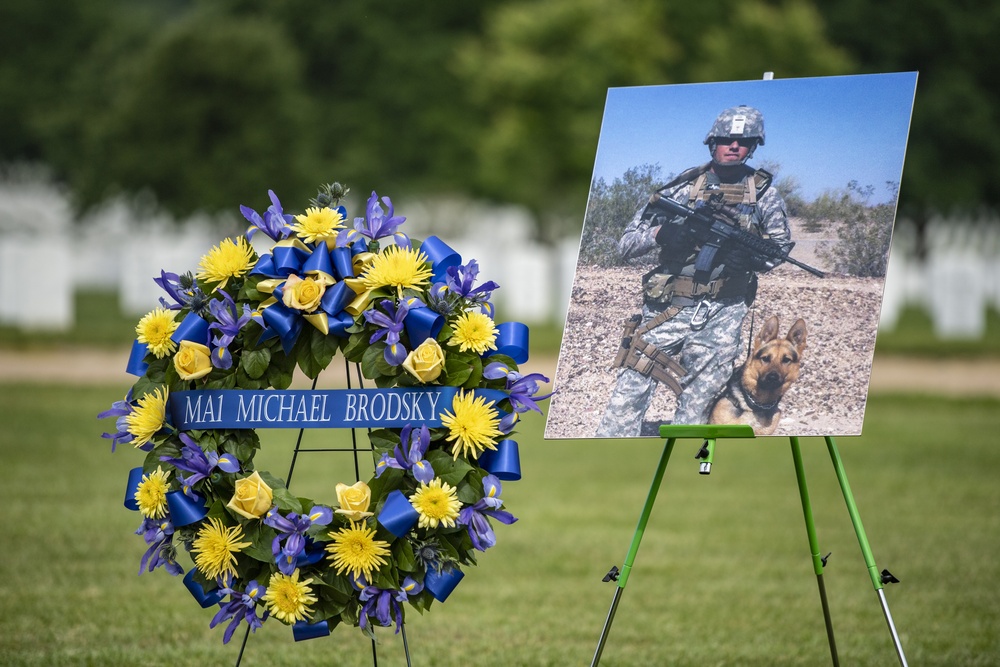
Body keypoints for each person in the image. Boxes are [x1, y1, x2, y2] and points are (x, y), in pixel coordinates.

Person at [596, 105, 791, 437]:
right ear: (712, 142)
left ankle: (684, 470)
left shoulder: (765, 196)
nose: (734, 146)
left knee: (697, 410)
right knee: (625, 401)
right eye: (726, 139)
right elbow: (625, 245)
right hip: (667, 308)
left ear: (753, 147)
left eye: (743, 142)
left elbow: (781, 247)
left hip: (722, 315)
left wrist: (751, 260)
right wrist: (663, 234)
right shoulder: (679, 189)